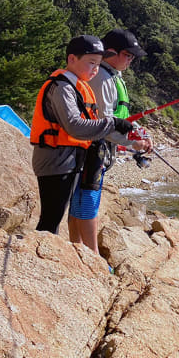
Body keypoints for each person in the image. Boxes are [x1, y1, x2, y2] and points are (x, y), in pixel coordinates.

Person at [30, 35, 134, 244]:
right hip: (55, 161)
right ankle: (41, 259)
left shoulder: (78, 86)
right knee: (51, 218)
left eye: (98, 64)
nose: (95, 69)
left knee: (57, 215)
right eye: (91, 63)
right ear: (72, 59)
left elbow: (89, 123)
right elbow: (75, 126)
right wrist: (113, 123)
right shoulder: (62, 87)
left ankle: (48, 255)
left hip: (69, 159)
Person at [71, 28, 152, 253]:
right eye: (128, 55)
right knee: (87, 198)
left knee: (85, 197)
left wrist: (139, 133)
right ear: (111, 52)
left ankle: (78, 248)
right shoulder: (103, 80)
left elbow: (119, 118)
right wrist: (133, 144)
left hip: (101, 147)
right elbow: (103, 124)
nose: (131, 60)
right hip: (91, 148)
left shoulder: (113, 77)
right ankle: (90, 253)